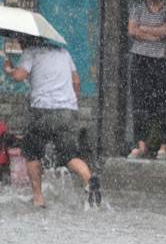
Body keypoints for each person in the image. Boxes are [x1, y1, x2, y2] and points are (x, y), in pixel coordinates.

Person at [3, 38, 100, 208]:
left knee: (32, 153)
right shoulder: (64, 53)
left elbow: (19, 76)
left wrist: (10, 70)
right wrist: (73, 103)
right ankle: (89, 179)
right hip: (67, 111)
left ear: (26, 40)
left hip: (42, 111)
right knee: (70, 155)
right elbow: (76, 81)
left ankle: (38, 198)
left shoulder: (31, 52)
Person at [126, 0, 166, 160]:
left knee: (164, 104)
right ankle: (141, 144)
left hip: (163, 60)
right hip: (140, 59)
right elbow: (132, 30)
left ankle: (164, 145)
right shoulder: (138, 7)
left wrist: (143, 29)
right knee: (140, 103)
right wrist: (156, 34)